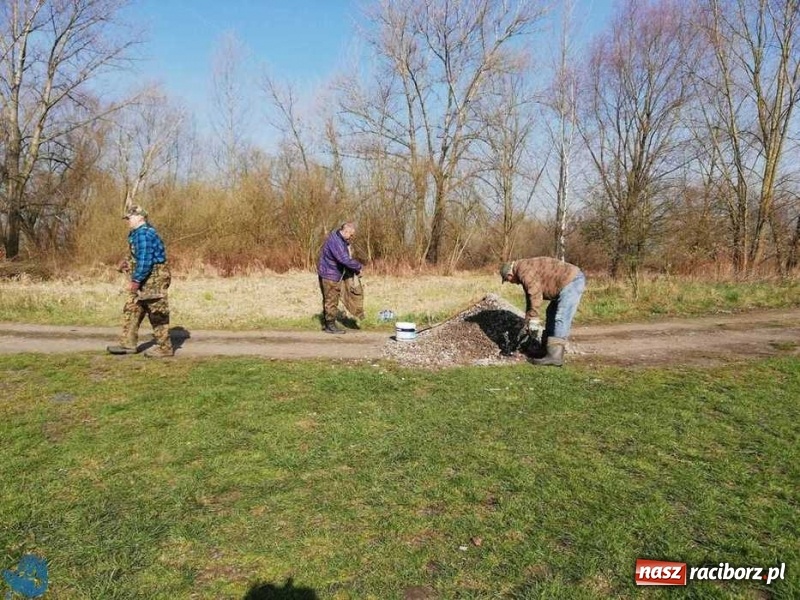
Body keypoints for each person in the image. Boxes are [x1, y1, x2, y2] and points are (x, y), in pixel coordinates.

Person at [106, 205, 174, 358]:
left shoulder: (144, 234)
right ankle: (128, 344)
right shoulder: (137, 233)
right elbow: (137, 255)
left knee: (157, 312)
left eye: (129, 218)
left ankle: (165, 347)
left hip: (153, 279)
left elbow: (145, 260)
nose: (127, 221)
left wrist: (136, 281)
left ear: (140, 217)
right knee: (132, 309)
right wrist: (126, 262)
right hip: (145, 277)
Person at [500, 257, 586, 367]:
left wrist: (534, 318)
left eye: (508, 281)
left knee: (561, 316)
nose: (512, 283)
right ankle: (547, 350)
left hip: (571, 280)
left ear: (509, 275)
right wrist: (529, 318)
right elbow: (530, 297)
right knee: (551, 313)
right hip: (564, 284)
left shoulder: (523, 270)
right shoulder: (523, 269)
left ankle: (555, 356)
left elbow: (535, 293)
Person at [317, 222, 363, 334]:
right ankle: (330, 326)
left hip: (328, 273)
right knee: (332, 300)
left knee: (329, 299)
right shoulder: (336, 241)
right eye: (351, 235)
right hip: (330, 275)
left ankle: (327, 323)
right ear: (346, 231)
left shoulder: (339, 239)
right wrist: (358, 267)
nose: (351, 237)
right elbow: (344, 259)